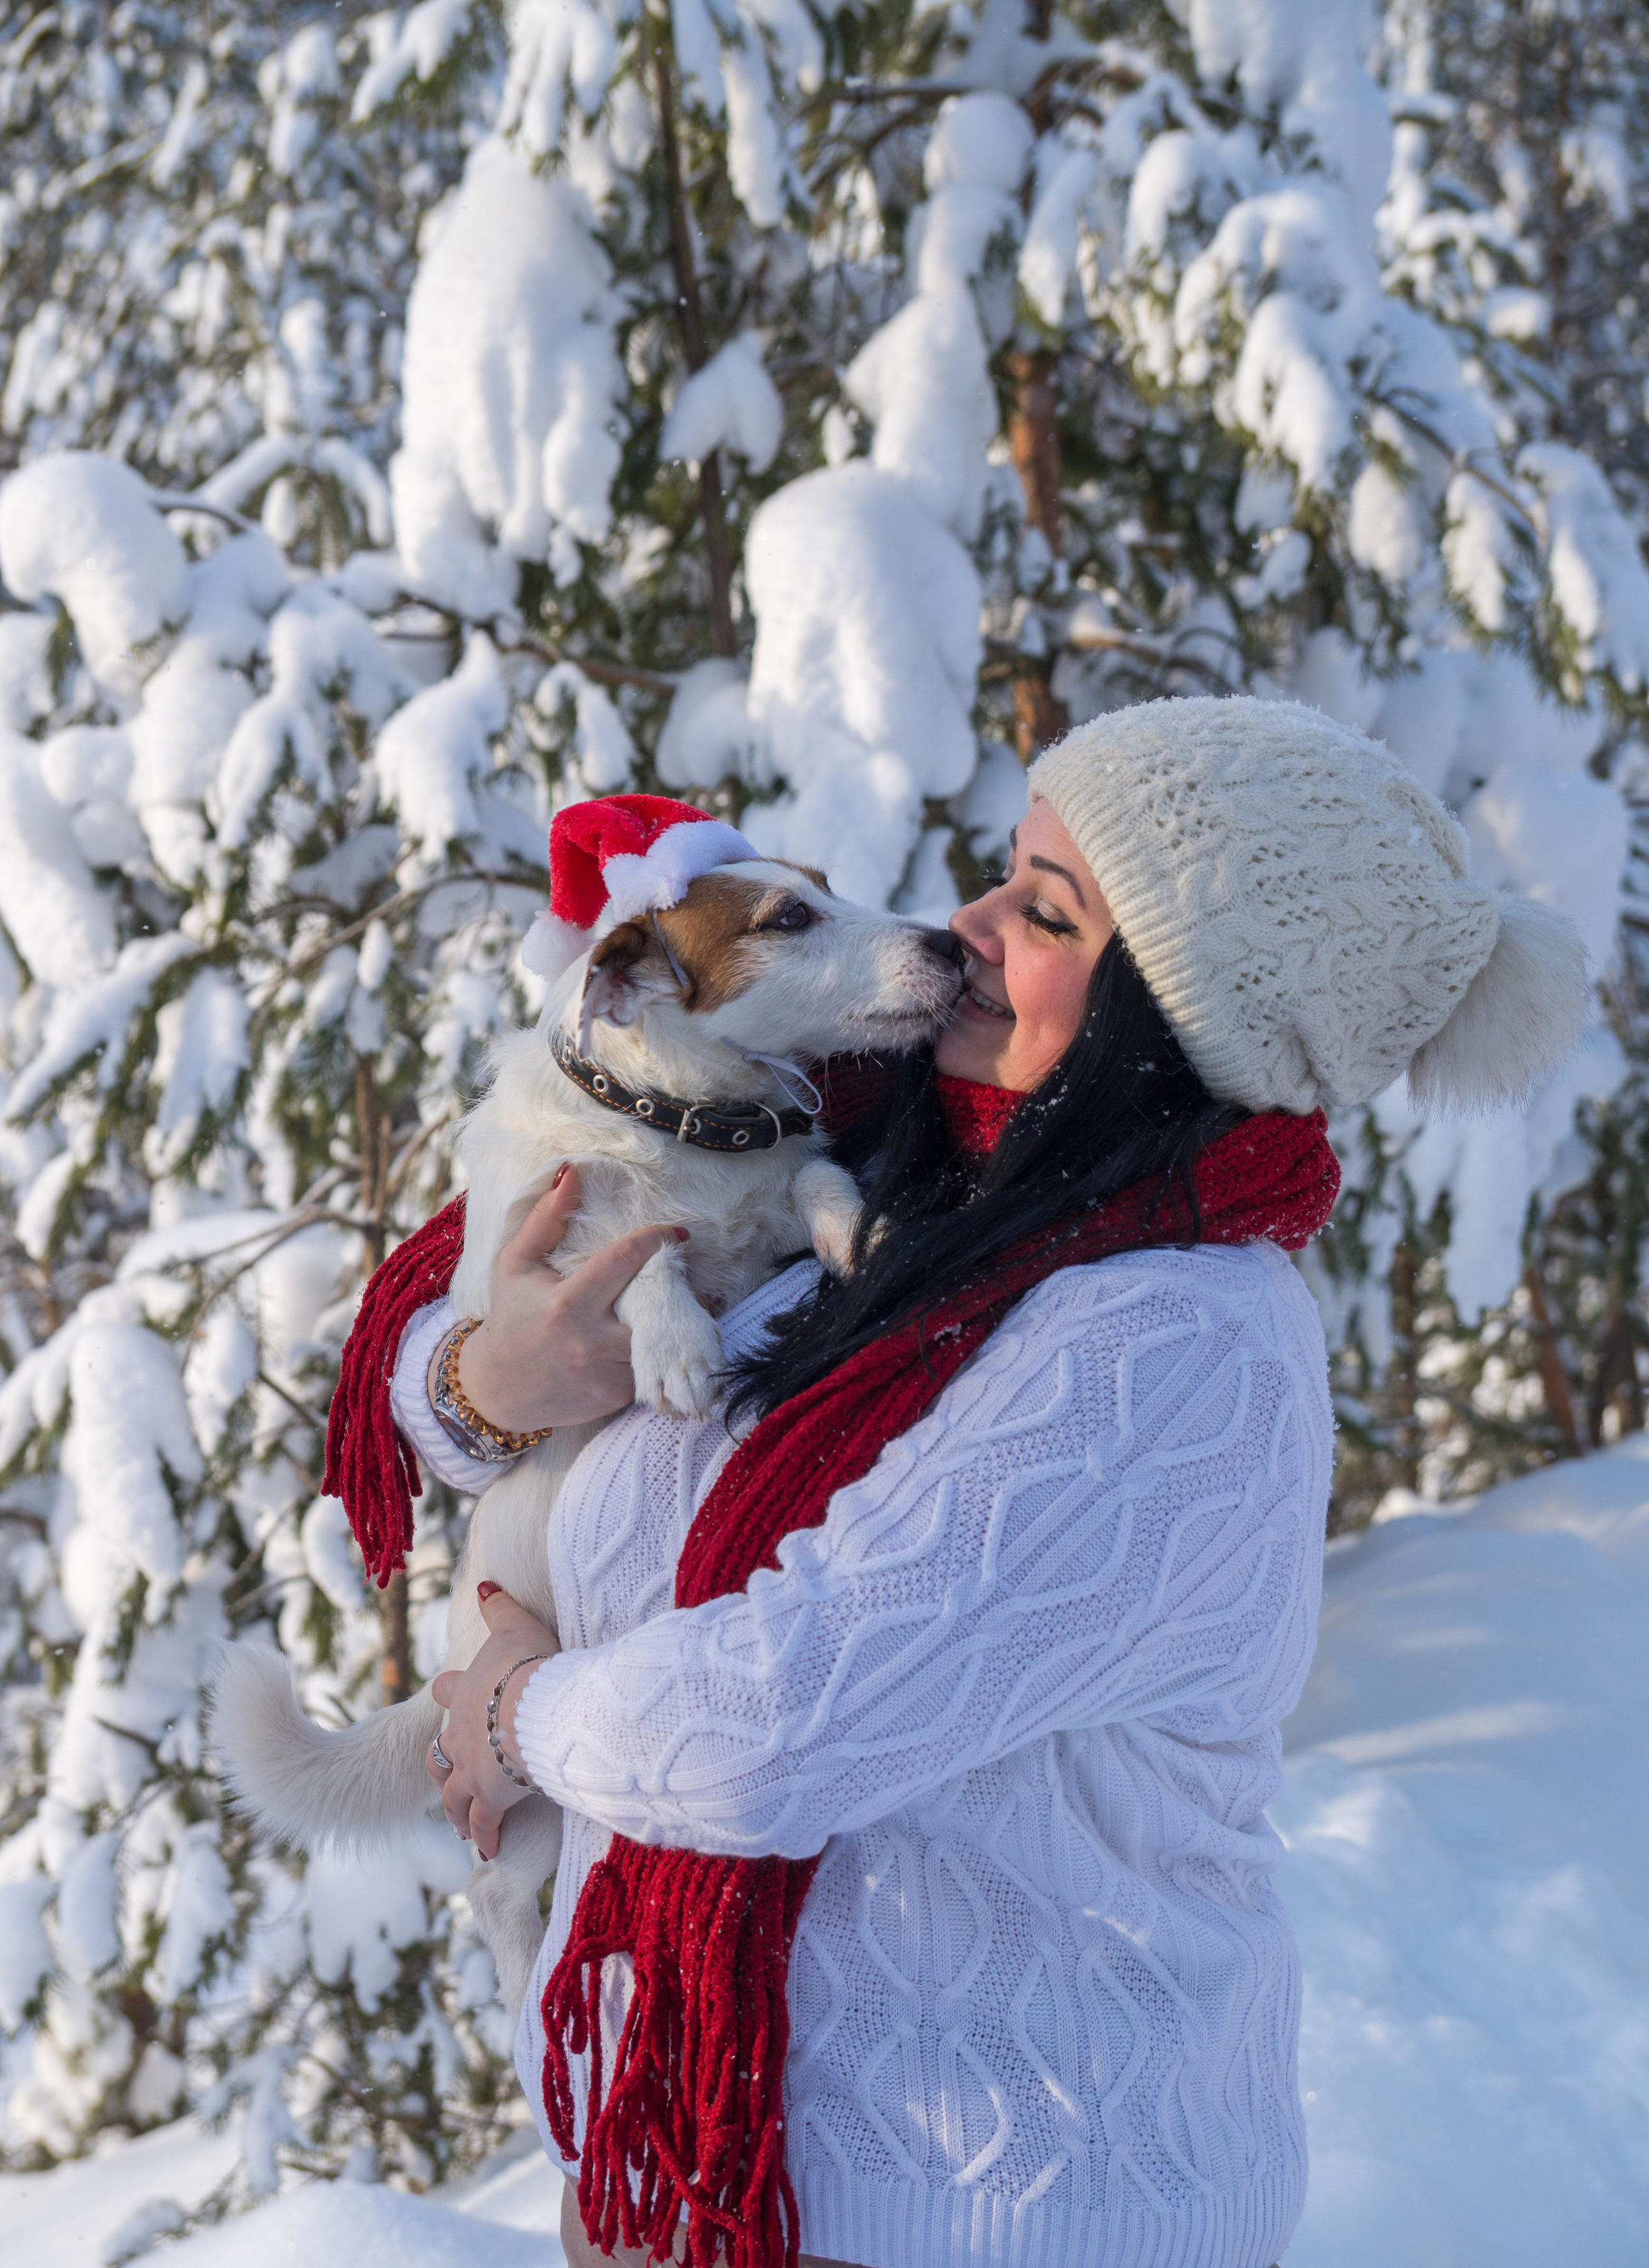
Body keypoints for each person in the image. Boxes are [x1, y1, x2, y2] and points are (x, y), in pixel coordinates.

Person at [334, 697, 1587, 2268]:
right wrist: (489, 1386)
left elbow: (775, 1721)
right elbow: (459, 1296)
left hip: (982, 2208)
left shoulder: (1166, 1344)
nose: (968, 924)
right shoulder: (893, 1168)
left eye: (1046, 915)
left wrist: (516, 1714)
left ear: (1174, 1018)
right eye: (1004, 873)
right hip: (693, 2157)